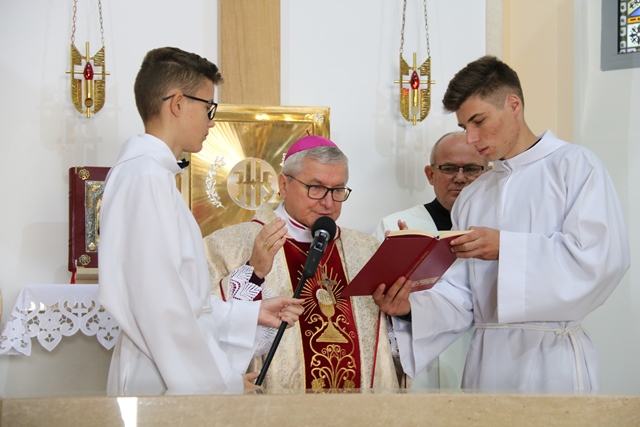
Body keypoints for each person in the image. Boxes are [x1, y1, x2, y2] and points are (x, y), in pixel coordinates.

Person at [373, 55, 630, 392]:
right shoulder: (473, 196)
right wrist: (411, 308)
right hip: (486, 364)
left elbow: (601, 261)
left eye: (479, 121)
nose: (470, 138)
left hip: (553, 361)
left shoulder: (575, 166)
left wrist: (505, 247)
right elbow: (461, 295)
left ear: (513, 105)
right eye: (464, 127)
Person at [98, 47, 303, 395]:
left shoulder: (152, 175)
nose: (212, 121)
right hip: (161, 377)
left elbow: (182, 299)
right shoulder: (145, 177)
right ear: (178, 103)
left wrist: (248, 314)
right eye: (209, 107)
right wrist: (219, 384)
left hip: (164, 368)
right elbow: (160, 305)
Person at [204, 135, 399, 391]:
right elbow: (201, 327)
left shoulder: (366, 249)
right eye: (315, 188)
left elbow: (390, 345)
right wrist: (253, 272)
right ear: (284, 185)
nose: (328, 203)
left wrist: (403, 303)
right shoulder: (227, 245)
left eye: (338, 190)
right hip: (277, 407)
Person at [373, 131, 487, 388]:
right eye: (449, 168)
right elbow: (373, 310)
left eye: (471, 169)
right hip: (418, 370)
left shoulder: (496, 233)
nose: (460, 178)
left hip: (480, 362)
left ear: (487, 173)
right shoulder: (393, 227)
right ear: (430, 174)